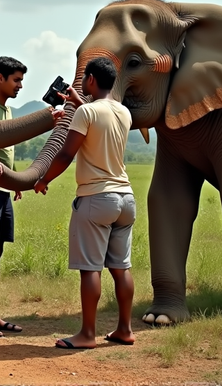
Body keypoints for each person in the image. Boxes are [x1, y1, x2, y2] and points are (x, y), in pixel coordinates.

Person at [33, 57, 136, 349]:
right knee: (121, 268)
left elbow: (66, 154)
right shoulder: (124, 112)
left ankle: (87, 335)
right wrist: (82, 103)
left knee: (91, 269)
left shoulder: (86, 113)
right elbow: (101, 123)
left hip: (95, 198)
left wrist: (43, 180)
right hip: (125, 198)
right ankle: (124, 330)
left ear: (90, 79)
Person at [0, 56, 62, 338]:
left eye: (21, 80)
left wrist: (14, 180)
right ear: (0, 78)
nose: (20, 86)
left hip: (0, 190)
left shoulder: (6, 111)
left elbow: (4, 150)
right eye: (16, 80)